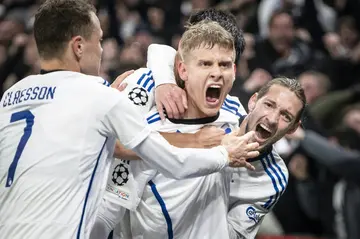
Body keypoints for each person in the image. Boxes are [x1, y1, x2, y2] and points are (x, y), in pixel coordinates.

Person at [0, 1, 260, 239]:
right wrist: (217, 151)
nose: (102, 50)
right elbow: (167, 160)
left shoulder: (11, 95)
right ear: (78, 46)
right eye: (99, 41)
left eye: (224, 65)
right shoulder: (102, 96)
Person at [92, 19, 251, 239]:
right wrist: (195, 141)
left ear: (234, 71)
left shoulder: (235, 119)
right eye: (205, 64)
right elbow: (108, 211)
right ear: (182, 70)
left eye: (224, 65)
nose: (216, 73)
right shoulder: (147, 126)